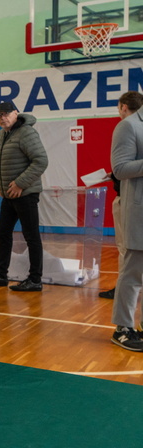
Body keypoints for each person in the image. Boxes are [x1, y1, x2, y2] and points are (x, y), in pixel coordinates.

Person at [0, 102, 48, 292]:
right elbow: (4, 164)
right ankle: (1, 275)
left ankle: (35, 279)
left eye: (6, 113)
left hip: (26, 194)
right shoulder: (1, 134)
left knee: (31, 236)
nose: (2, 118)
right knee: (3, 232)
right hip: (9, 194)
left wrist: (20, 183)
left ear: (16, 113)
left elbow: (41, 161)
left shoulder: (27, 133)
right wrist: (0, 184)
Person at [100, 91, 143, 300]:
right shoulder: (128, 127)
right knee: (126, 251)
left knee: (126, 251)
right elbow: (122, 168)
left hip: (131, 199)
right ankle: (122, 289)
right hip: (129, 201)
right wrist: (115, 175)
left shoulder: (131, 126)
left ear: (123, 107)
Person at [109, 95, 143, 351]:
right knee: (133, 272)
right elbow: (120, 169)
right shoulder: (129, 125)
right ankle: (122, 327)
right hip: (139, 212)